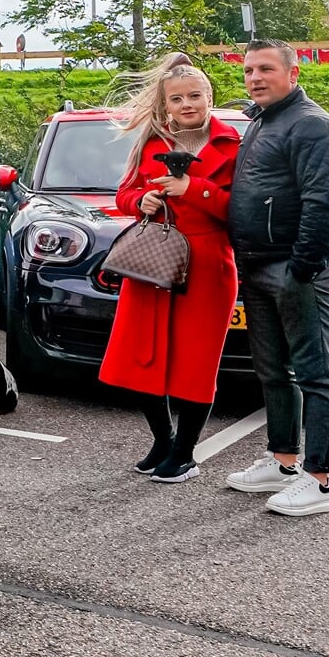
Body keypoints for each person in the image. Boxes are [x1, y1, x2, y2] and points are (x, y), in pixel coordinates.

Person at [222, 38, 329, 517]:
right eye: (249, 70)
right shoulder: (262, 121)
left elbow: (323, 204)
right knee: (273, 371)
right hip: (257, 266)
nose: (254, 78)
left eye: (266, 69)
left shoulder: (312, 125)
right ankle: (282, 462)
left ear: (293, 74)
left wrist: (301, 269)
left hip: (297, 270)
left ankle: (318, 482)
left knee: (316, 374)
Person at [100, 57, 240, 484]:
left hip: (206, 266)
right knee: (141, 358)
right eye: (177, 98)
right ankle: (163, 441)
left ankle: (184, 453)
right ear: (165, 104)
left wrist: (193, 188)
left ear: (209, 97)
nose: (187, 104)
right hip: (153, 261)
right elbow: (123, 195)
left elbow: (240, 212)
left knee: (196, 364)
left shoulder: (233, 146)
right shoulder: (150, 141)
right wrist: (140, 201)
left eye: (195, 96)